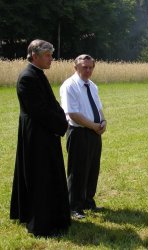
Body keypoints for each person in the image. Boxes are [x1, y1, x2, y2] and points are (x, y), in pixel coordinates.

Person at [10, 39, 71, 236]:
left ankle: (54, 217)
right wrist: (61, 125)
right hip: (37, 136)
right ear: (34, 56)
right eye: (47, 55)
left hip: (46, 133)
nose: (51, 58)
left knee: (49, 175)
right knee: (40, 178)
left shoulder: (38, 75)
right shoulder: (27, 77)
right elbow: (39, 111)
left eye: (51, 55)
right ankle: (41, 224)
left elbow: (52, 104)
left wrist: (62, 118)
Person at [60, 54, 106, 219]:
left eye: (90, 67)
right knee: (77, 170)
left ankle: (88, 201)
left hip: (94, 133)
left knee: (92, 168)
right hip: (78, 132)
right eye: (84, 67)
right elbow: (72, 114)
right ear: (75, 67)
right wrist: (94, 126)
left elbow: (98, 107)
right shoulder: (69, 86)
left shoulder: (92, 85)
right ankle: (74, 207)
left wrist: (103, 121)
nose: (88, 70)